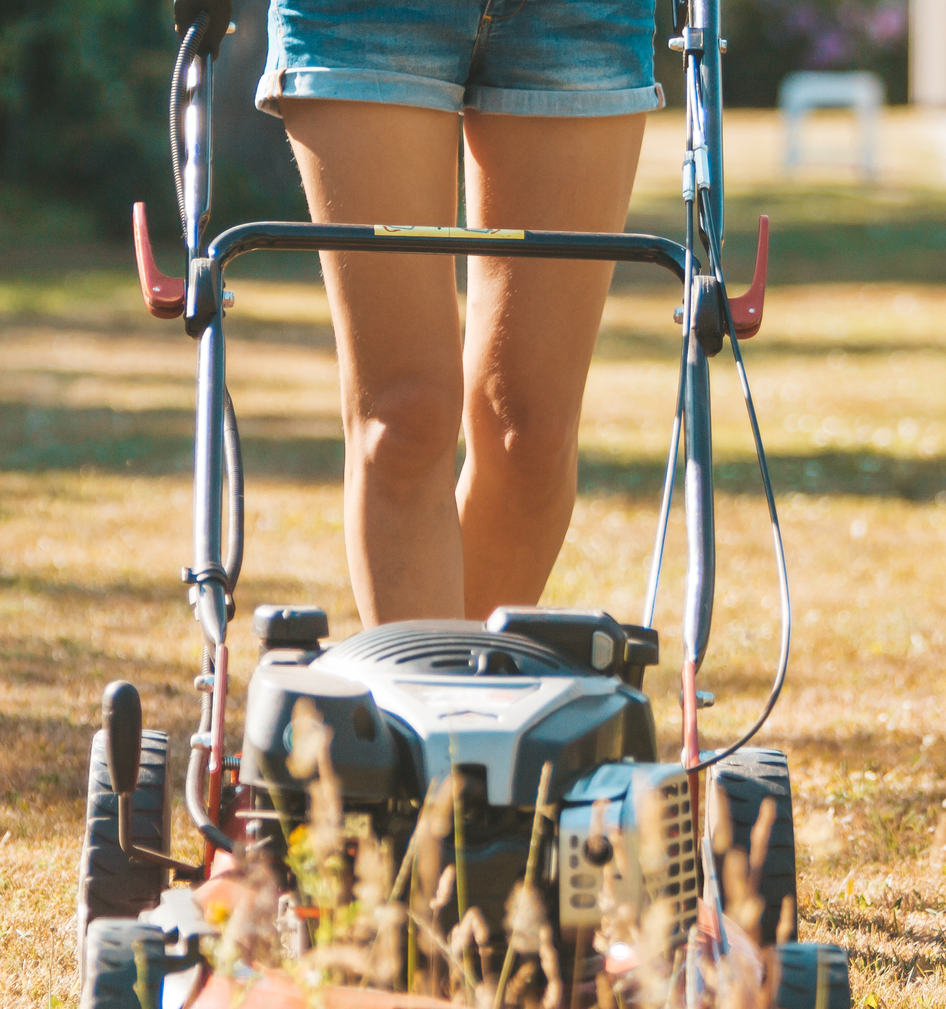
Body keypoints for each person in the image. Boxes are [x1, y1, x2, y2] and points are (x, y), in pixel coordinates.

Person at [176, 0, 662, 626]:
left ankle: (451, 701)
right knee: (403, 418)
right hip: (370, 17)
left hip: (581, 14)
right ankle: (422, 711)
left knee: (531, 435)